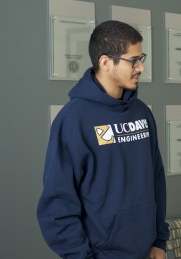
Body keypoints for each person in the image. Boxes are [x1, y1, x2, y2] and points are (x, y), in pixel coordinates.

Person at [37, 20, 169, 259]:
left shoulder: (141, 112)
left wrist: (159, 240)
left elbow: (156, 179)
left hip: (147, 251)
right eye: (133, 60)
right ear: (106, 62)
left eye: (141, 59)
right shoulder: (74, 119)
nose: (140, 68)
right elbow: (58, 202)